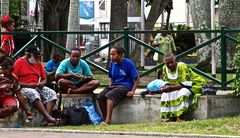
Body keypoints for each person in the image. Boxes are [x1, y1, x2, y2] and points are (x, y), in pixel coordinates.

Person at [13, 45, 59, 126]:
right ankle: (48, 117)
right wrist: (28, 84)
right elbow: (14, 81)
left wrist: (42, 83)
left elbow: (45, 79)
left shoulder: (38, 63)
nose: (38, 59)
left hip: (37, 86)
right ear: (28, 55)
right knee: (33, 93)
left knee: (52, 93)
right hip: (24, 87)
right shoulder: (19, 62)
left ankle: (45, 119)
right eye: (35, 56)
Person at [157, 52, 206, 122]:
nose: (170, 64)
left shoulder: (181, 66)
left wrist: (170, 88)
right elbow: (167, 83)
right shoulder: (165, 68)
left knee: (183, 92)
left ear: (175, 60)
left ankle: (181, 117)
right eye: (167, 63)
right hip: (176, 87)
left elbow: (185, 84)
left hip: (193, 85)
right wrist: (164, 88)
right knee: (165, 94)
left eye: (171, 62)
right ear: (165, 63)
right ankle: (172, 117)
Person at [97, 46, 140, 125]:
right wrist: (110, 87)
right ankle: (105, 118)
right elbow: (112, 77)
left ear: (120, 55)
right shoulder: (111, 64)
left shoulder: (128, 63)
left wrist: (132, 91)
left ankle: (108, 121)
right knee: (100, 96)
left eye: (114, 54)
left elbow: (137, 78)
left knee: (110, 96)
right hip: (114, 85)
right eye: (110, 54)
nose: (111, 57)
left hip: (125, 85)